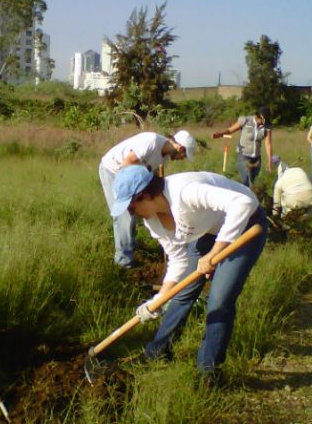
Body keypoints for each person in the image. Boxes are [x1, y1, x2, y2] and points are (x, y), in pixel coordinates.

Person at [110, 164, 268, 384]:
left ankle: (208, 370)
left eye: (131, 208)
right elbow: (178, 259)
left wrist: (215, 253)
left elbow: (244, 203)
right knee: (181, 293)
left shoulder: (185, 191)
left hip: (246, 225)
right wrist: (158, 301)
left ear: (145, 196)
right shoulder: (152, 220)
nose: (132, 214)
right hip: (209, 230)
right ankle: (158, 352)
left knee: (219, 300)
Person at [99, 130, 196, 269]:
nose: (182, 159)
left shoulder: (164, 158)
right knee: (125, 215)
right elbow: (128, 165)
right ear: (181, 148)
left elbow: (152, 175)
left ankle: (131, 246)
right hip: (114, 170)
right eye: (184, 156)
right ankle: (124, 261)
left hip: (129, 175)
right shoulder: (151, 141)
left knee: (139, 212)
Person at [212, 106, 273, 188]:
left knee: (254, 181)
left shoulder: (267, 126)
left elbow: (268, 143)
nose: (262, 124)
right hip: (243, 155)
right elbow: (230, 130)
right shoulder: (245, 121)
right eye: (262, 121)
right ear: (257, 117)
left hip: (256, 158)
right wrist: (219, 134)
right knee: (246, 181)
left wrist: (270, 160)